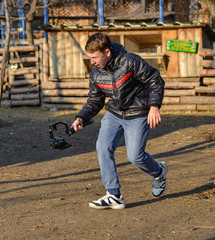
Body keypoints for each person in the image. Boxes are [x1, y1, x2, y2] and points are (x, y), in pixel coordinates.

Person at [71, 32, 167, 210]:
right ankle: (114, 195)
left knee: (135, 157)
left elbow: (155, 80)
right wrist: (81, 117)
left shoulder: (130, 61)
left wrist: (154, 106)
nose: (92, 61)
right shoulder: (96, 73)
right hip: (114, 114)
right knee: (103, 147)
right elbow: (95, 100)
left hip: (138, 112)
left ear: (107, 52)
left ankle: (159, 172)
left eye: (94, 57)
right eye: (90, 57)